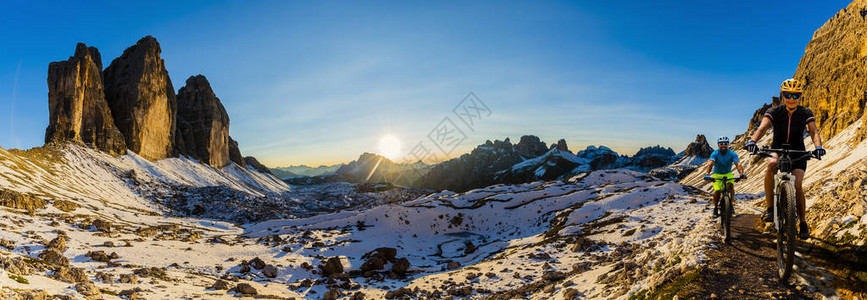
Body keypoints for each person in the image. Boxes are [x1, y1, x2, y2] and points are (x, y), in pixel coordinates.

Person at [745, 78, 825, 239]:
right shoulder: (775, 111)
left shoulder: (805, 112)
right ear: (783, 96)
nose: (791, 99)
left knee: (797, 185)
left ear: (800, 97)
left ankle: (802, 222)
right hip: (778, 149)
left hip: (798, 152)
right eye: (788, 95)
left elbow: (814, 131)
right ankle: (769, 209)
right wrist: (753, 141)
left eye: (795, 95)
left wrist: (818, 147)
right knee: (772, 164)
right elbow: (762, 128)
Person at [703, 136, 746, 218]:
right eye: (721, 144)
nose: (723, 145)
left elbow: (738, 164)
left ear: (728, 144)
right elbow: (711, 163)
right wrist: (707, 173)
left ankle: (731, 204)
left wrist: (742, 173)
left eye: (725, 144)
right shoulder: (715, 153)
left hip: (728, 173)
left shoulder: (732, 153)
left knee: (730, 187)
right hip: (717, 174)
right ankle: (715, 208)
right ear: (718, 145)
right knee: (717, 191)